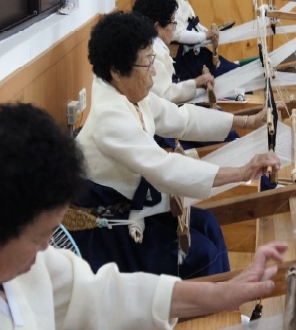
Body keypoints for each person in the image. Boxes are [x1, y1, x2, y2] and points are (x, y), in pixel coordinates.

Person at [0, 102, 288, 330]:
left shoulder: (16, 260)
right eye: (39, 237)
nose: (48, 248)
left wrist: (221, 293)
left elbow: (99, 293)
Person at [71, 12, 279, 279]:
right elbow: (165, 169)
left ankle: (227, 305)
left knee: (208, 225)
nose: (154, 72)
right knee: (200, 255)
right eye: (147, 64)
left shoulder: (127, 94)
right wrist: (241, 173)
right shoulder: (109, 117)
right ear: (116, 71)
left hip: (133, 208)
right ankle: (217, 311)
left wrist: (248, 120)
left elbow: (181, 118)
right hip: (107, 230)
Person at [133, 0, 213, 104]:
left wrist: (195, 85)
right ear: (157, 27)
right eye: (172, 23)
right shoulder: (152, 52)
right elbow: (164, 96)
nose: (173, 29)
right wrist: (195, 84)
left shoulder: (150, 46)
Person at [172, 0, 240, 81]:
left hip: (199, 54)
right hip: (189, 62)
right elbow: (178, 34)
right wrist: (205, 35)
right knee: (238, 76)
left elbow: (193, 24)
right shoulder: (169, 4)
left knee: (239, 73)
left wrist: (210, 34)